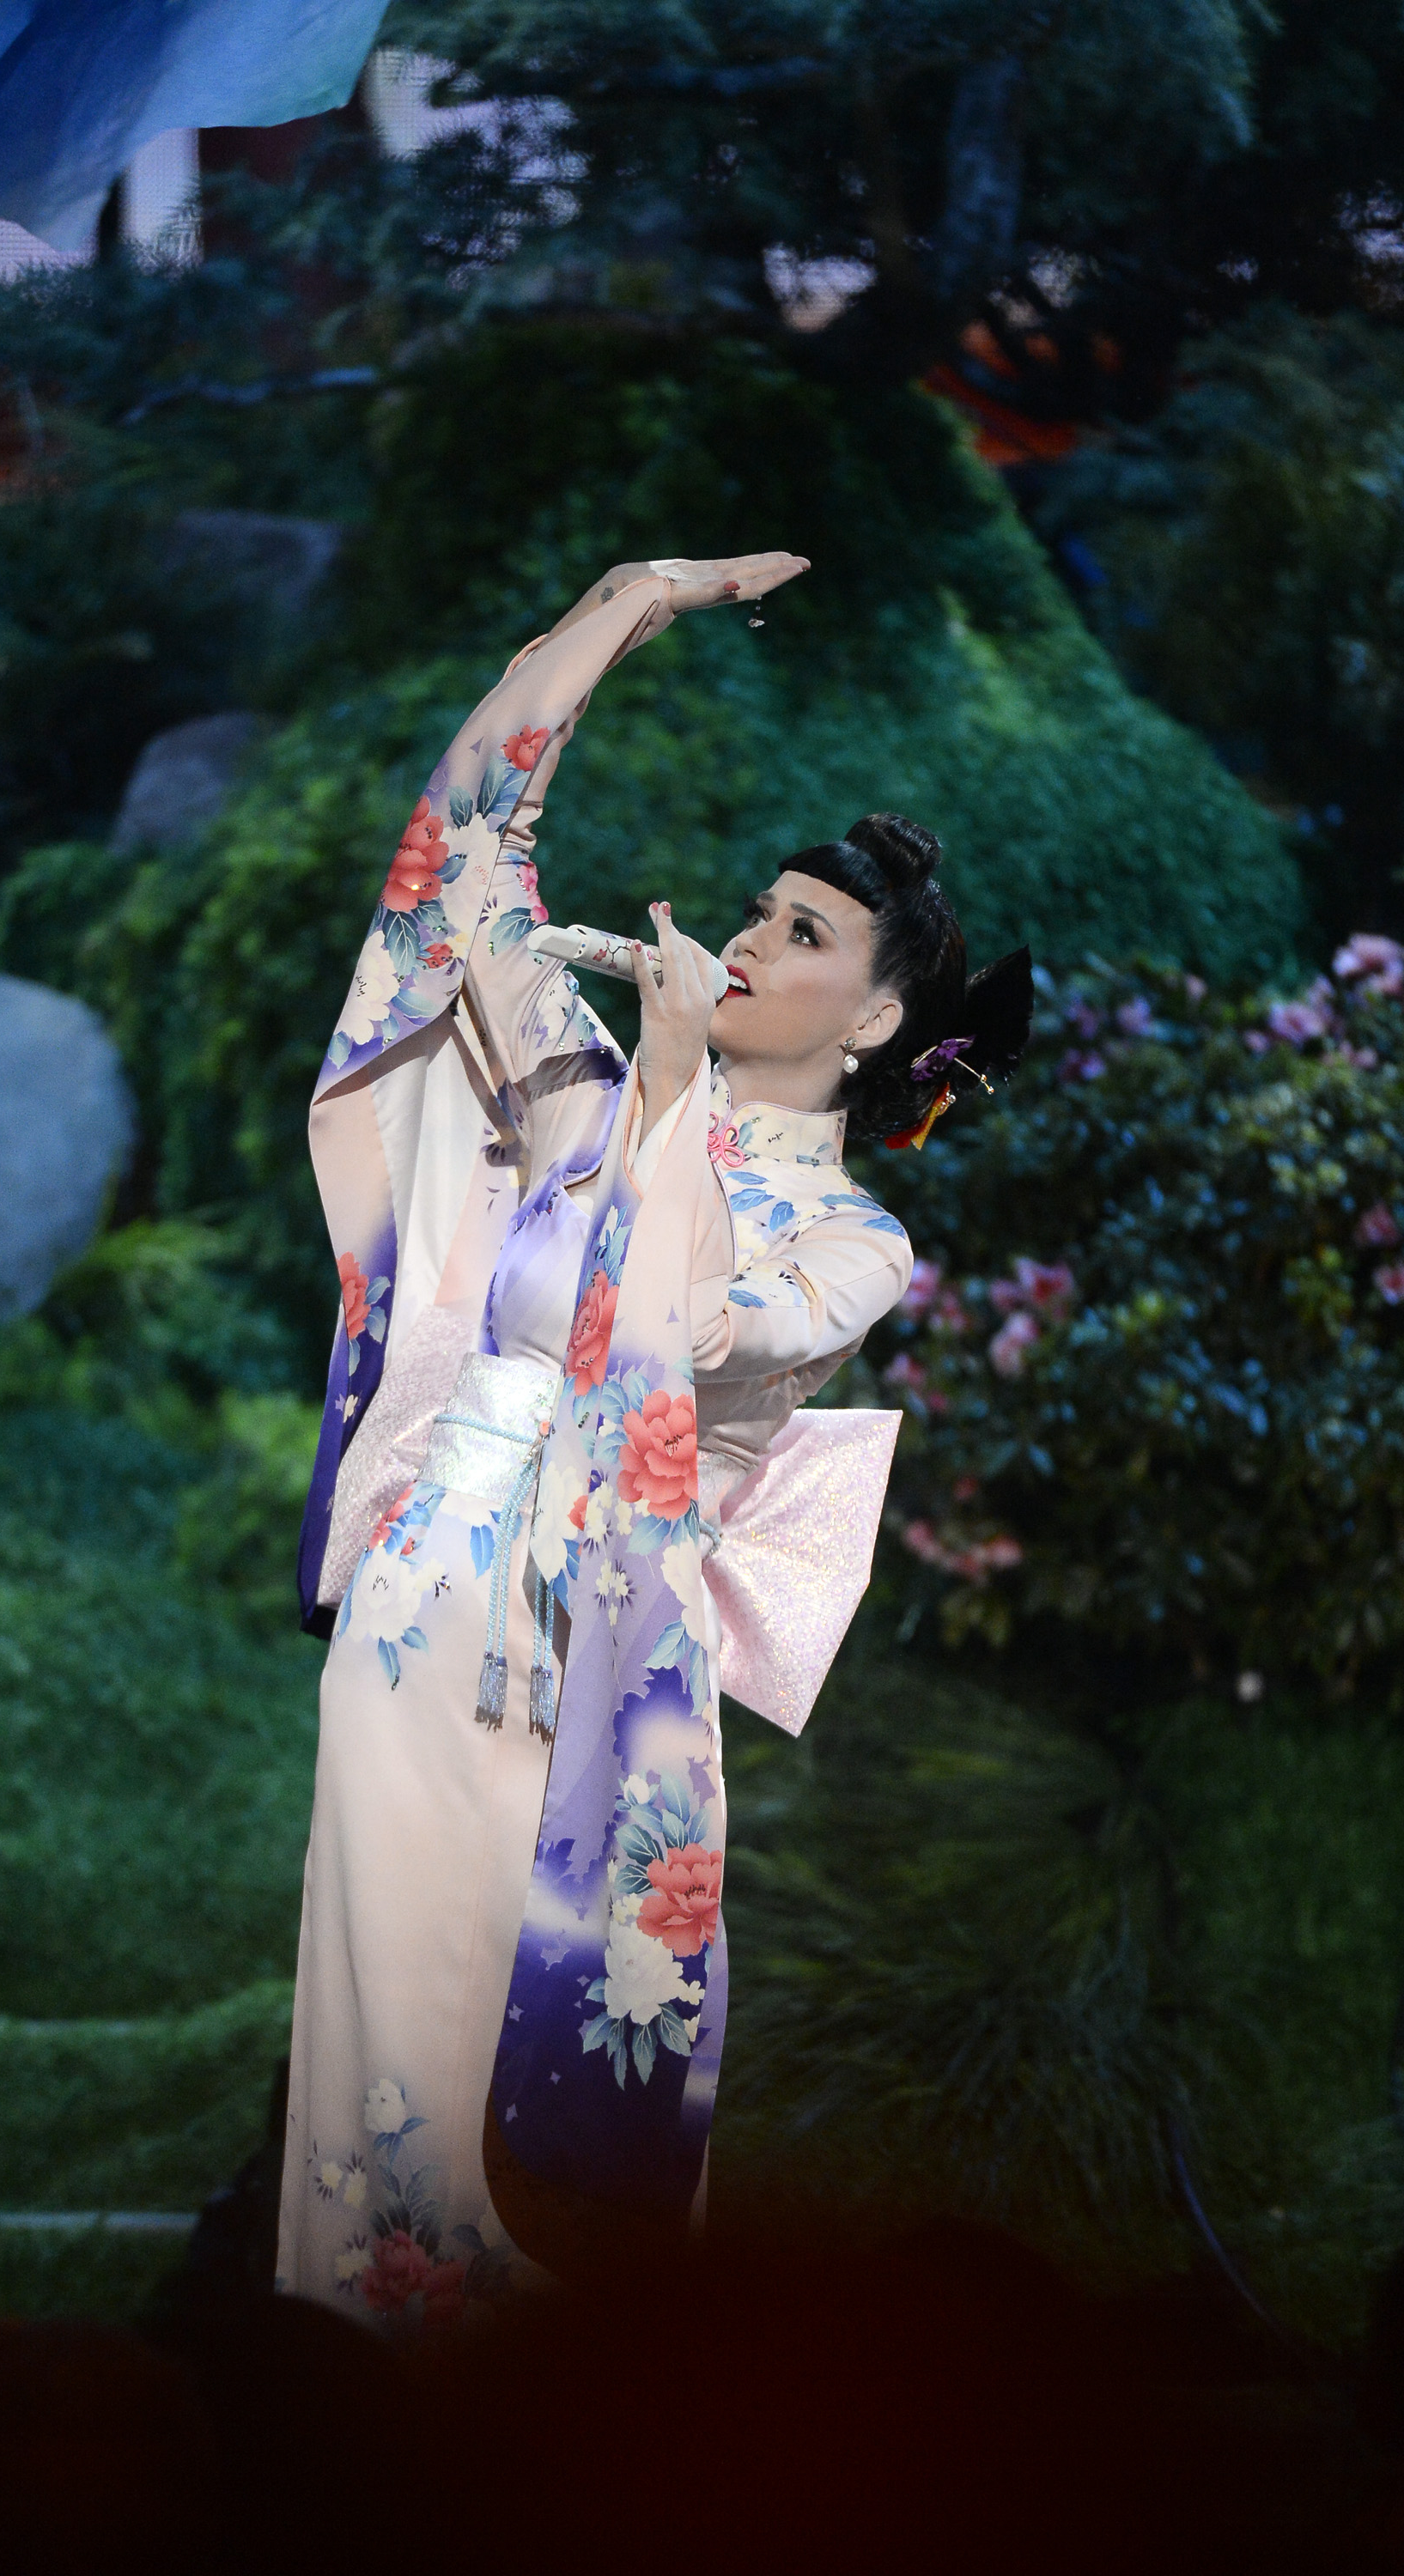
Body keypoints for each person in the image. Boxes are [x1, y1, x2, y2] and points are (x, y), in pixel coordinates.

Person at [278, 555, 1031, 2322]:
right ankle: (348, 2406)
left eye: (805, 937)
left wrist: (681, 1087)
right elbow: (459, 857)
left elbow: (677, 1339)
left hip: (610, 1662)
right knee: (387, 2067)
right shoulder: (582, 1097)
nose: (752, 943)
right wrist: (631, 603)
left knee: (549, 2093)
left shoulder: (853, 1240)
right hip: (432, 1599)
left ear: (877, 1022)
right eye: (760, 913)